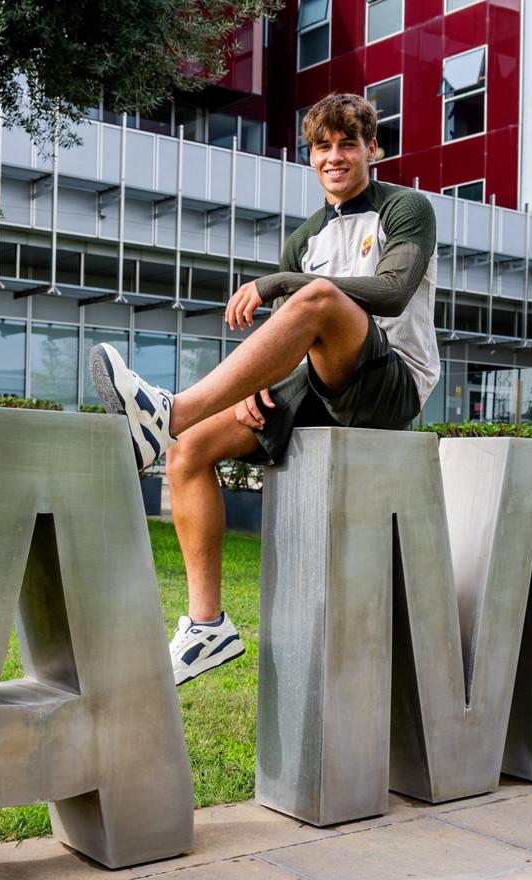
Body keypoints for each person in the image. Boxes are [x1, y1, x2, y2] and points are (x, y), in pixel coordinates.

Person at [90, 92, 440, 685]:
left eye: (348, 143)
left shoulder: (405, 210)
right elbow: (290, 341)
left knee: (322, 298)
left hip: (392, 384)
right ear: (310, 157)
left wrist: (282, 281)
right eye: (322, 146)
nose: (335, 156)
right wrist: (261, 390)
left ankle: (167, 412)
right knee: (190, 452)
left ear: (372, 149)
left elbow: (392, 291)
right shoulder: (305, 238)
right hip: (318, 385)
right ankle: (207, 626)